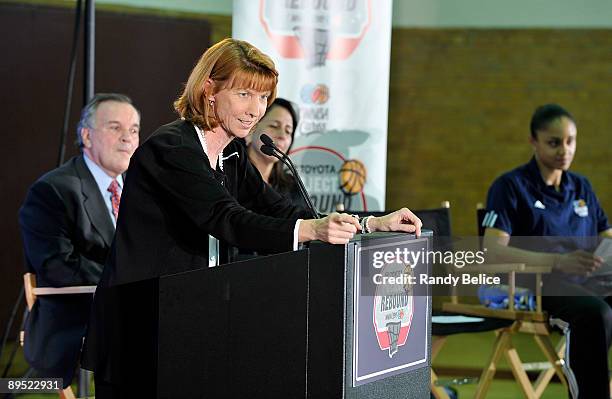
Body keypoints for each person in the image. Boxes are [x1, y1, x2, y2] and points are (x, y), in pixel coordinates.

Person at [82, 38, 422, 397]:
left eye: (262, 98)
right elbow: (226, 218)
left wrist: (369, 224)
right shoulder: (172, 148)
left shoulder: (231, 153)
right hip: (143, 328)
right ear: (209, 89)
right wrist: (310, 230)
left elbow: (277, 208)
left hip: (193, 322)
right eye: (245, 94)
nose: (255, 110)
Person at [483, 103, 612, 398]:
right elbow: (491, 250)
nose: (564, 150)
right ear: (533, 141)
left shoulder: (582, 187)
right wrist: (557, 261)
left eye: (570, 141)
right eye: (554, 142)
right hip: (535, 281)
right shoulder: (510, 186)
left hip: (585, 280)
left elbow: (607, 236)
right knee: (596, 313)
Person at [18, 93, 140, 389]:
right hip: (76, 316)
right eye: (115, 128)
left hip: (133, 310)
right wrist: (131, 283)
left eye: (134, 130)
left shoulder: (141, 190)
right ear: (86, 135)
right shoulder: (53, 191)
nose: (128, 139)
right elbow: (58, 266)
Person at [245, 97, 305, 207]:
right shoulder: (233, 176)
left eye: (288, 131)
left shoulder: (291, 185)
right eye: (274, 126)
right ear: (251, 130)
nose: (282, 136)